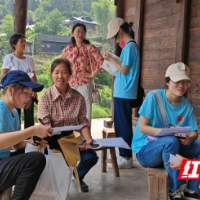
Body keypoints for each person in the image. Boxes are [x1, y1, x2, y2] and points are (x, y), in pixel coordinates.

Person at [132, 62, 200, 200]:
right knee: (171, 140)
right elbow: (142, 127)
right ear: (168, 82)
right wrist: (167, 131)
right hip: (146, 151)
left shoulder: (186, 105)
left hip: (173, 150)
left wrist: (189, 139)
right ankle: (174, 189)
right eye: (177, 81)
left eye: (185, 82)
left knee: (198, 146)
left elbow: (194, 133)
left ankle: (191, 190)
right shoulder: (154, 97)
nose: (181, 85)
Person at [37, 58, 98, 192]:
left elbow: (83, 123)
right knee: (58, 164)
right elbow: (46, 130)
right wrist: (71, 145)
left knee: (91, 157)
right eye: (56, 72)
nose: (60, 76)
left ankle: (77, 177)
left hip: (74, 140)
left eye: (64, 72)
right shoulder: (45, 98)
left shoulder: (78, 98)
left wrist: (88, 140)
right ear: (51, 74)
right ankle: (61, 182)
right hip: (53, 142)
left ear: (70, 74)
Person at [0, 70, 52, 200]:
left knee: (32, 155)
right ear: (11, 91)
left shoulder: (15, 113)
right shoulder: (0, 109)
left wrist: (32, 141)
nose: (29, 98)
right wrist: (32, 130)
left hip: (3, 163)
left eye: (31, 94)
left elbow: (16, 146)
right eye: (26, 93)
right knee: (35, 160)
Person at [103, 17, 140, 169]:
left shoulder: (130, 47)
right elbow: (125, 67)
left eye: (114, 35)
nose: (113, 38)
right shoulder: (129, 47)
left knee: (123, 125)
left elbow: (124, 70)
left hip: (124, 92)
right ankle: (123, 155)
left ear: (119, 31)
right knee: (120, 124)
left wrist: (111, 60)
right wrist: (114, 58)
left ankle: (126, 157)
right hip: (123, 91)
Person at [61, 23, 104, 128]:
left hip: (84, 84)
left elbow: (102, 63)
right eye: (78, 31)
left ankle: (86, 137)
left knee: (86, 111)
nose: (80, 34)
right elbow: (62, 63)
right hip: (71, 84)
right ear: (72, 33)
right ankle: (74, 136)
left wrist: (91, 75)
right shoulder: (69, 49)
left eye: (83, 32)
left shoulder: (89, 48)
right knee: (71, 109)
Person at [1, 33, 38, 129]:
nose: (24, 43)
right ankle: (16, 134)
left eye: (25, 41)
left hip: (28, 89)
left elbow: (33, 75)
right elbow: (3, 75)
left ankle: (30, 136)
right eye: (21, 41)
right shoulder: (10, 58)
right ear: (14, 44)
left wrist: (34, 91)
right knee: (15, 112)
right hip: (16, 89)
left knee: (29, 113)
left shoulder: (30, 59)